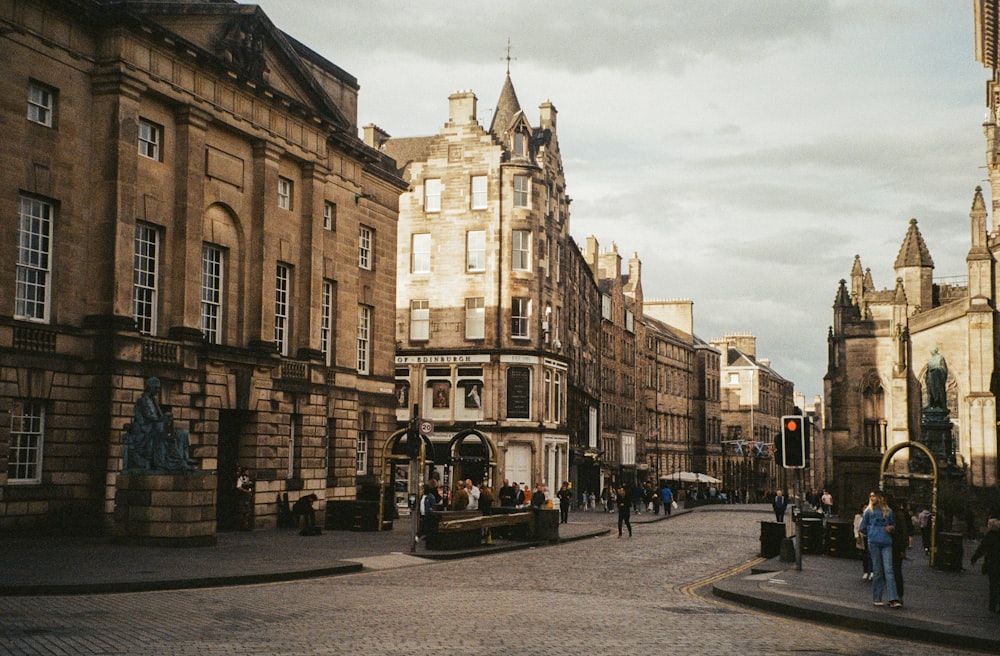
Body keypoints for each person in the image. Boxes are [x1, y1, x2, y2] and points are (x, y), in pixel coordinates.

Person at [125, 377, 197, 472]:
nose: (158, 390)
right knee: (165, 434)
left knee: (183, 433)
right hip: (147, 429)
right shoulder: (142, 400)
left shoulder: (154, 401)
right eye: (156, 388)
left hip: (157, 427)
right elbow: (148, 417)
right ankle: (176, 463)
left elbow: (159, 417)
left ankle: (185, 457)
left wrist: (166, 419)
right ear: (150, 387)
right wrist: (162, 419)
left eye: (159, 388)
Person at [858, 490, 901, 608]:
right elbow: (862, 527)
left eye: (874, 496)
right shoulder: (868, 512)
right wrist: (872, 534)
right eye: (870, 496)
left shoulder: (888, 512)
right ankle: (877, 597)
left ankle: (892, 598)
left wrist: (891, 528)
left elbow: (893, 526)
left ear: (880, 497)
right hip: (874, 543)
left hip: (886, 542)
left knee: (889, 570)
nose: (872, 498)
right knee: (877, 571)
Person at [970, 517, 1000, 614]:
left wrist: (974, 558)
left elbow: (982, 548)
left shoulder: (990, 536)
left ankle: (992, 606)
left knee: (994, 585)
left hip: (993, 563)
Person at [890, 498, 913, 602]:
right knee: (896, 570)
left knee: (894, 571)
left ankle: (896, 595)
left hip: (893, 545)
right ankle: (897, 595)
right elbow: (904, 532)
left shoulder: (895, 515)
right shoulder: (900, 514)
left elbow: (902, 533)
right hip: (897, 546)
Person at [854, 503, 872, 581]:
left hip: (870, 537)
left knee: (870, 555)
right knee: (864, 555)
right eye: (864, 507)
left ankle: (871, 571)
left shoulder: (871, 516)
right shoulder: (858, 516)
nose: (865, 508)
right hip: (862, 537)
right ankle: (865, 571)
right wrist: (857, 536)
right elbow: (856, 527)